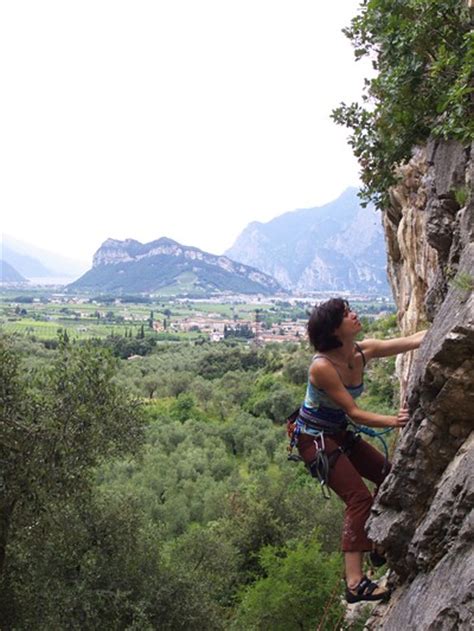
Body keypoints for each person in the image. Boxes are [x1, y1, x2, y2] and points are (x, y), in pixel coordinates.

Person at [294, 298, 426, 603]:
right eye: (346, 314)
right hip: (314, 439)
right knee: (358, 498)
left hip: (336, 433)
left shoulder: (362, 351)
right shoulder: (322, 367)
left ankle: (378, 543)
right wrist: (395, 420)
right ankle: (354, 583)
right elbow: (354, 412)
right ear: (334, 330)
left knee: (388, 475)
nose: (354, 315)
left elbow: (411, 341)